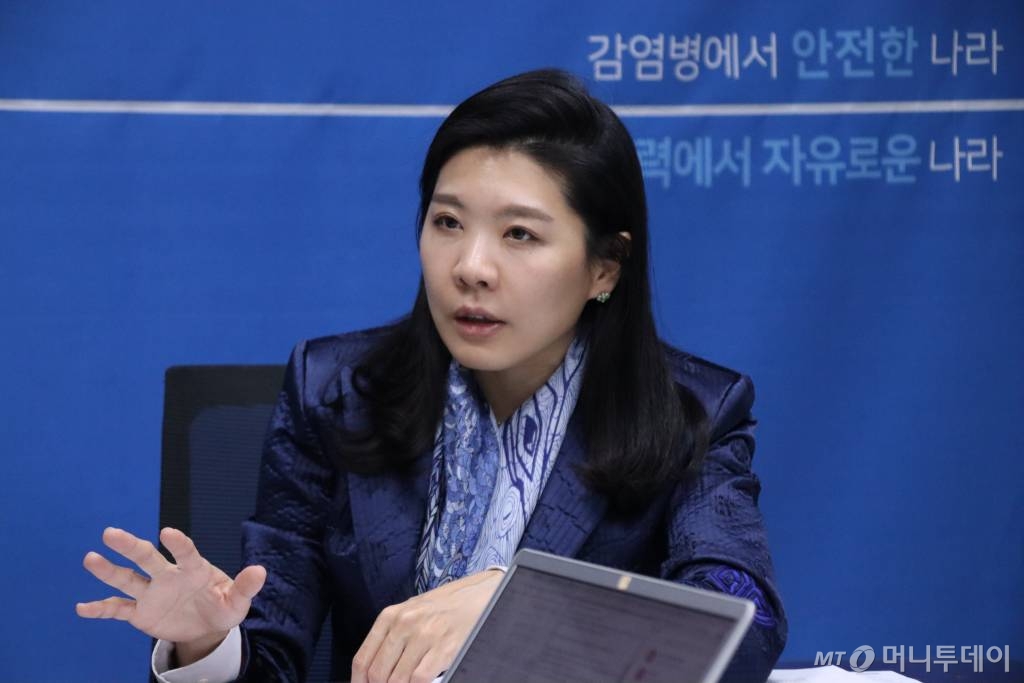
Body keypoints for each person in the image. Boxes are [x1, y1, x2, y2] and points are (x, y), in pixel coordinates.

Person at [77, 68, 787, 683]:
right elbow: (273, 649)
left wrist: (518, 600)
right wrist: (209, 643)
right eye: (448, 222)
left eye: (519, 234)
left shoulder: (692, 411)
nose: (471, 267)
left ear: (605, 267)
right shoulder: (334, 390)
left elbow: (741, 625)